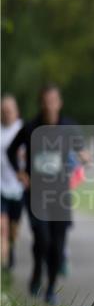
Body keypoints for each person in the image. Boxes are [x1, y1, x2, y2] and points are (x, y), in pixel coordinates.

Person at [6, 84, 87, 305]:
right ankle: (36, 273)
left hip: (60, 194)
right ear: (41, 103)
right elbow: (11, 151)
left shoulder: (69, 126)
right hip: (36, 195)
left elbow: (82, 151)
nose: (50, 105)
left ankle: (50, 288)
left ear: (59, 102)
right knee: (42, 240)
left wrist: (84, 158)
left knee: (57, 245)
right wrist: (21, 173)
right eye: (46, 100)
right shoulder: (31, 127)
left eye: (54, 100)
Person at [1, 94, 25, 271]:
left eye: (9, 110)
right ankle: (4, 267)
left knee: (13, 227)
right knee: (2, 226)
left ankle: (11, 248)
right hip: (0, 184)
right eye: (3, 111)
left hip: (18, 186)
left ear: (16, 112)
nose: (6, 114)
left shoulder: (23, 130)